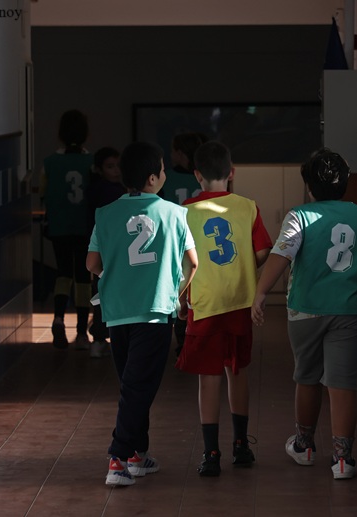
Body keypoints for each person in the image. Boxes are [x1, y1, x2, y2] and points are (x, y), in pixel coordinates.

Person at [251, 148, 357, 480]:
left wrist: (261, 292)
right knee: (343, 384)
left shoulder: (300, 216)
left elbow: (281, 256)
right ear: (345, 184)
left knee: (307, 376)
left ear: (310, 187)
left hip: (305, 310)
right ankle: (343, 459)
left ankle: (305, 445)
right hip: (351, 311)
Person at [86, 141, 198, 487]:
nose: (165, 174)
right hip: (154, 311)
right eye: (163, 170)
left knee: (133, 384)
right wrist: (177, 293)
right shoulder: (175, 214)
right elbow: (192, 262)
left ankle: (138, 453)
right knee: (138, 386)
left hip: (117, 312)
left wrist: (116, 280)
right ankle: (118, 459)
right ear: (152, 179)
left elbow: (92, 263)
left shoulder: (104, 214)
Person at [175, 141, 272, 477]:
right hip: (240, 303)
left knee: (208, 377)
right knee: (238, 370)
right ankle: (242, 446)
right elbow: (263, 253)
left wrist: (182, 300)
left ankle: (211, 451)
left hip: (205, 303)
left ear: (197, 175)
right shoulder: (248, 207)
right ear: (232, 173)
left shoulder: (185, 210)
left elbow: (184, 265)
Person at [40, 109, 94, 350]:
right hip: (85, 227)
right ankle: (82, 331)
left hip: (59, 226)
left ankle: (58, 318)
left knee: (63, 273)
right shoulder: (91, 162)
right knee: (83, 277)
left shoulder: (50, 163)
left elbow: (43, 194)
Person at [161, 132, 208, 355]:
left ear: (179, 153)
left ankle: (182, 340)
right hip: (201, 241)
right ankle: (193, 336)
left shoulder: (167, 177)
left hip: (174, 242)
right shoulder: (202, 178)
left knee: (179, 288)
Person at [85, 146, 127, 358]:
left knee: (101, 294)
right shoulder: (114, 192)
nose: (116, 171)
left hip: (103, 251)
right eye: (110, 167)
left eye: (118, 166)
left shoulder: (95, 190)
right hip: (110, 251)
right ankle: (101, 337)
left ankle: (99, 338)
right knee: (104, 295)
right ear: (99, 169)